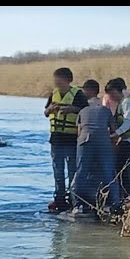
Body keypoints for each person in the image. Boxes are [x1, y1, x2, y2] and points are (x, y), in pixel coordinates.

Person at [71, 79, 119, 213]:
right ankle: (115, 203)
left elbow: (79, 132)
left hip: (84, 141)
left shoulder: (83, 110)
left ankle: (77, 204)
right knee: (108, 172)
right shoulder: (106, 110)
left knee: (81, 172)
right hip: (103, 141)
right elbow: (113, 130)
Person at [44, 67, 89, 212]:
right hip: (56, 139)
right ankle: (59, 199)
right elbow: (45, 112)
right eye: (56, 82)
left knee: (72, 171)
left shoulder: (78, 94)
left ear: (68, 81)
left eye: (60, 82)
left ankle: (73, 198)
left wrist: (73, 109)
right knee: (58, 171)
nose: (58, 85)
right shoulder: (54, 94)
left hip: (71, 138)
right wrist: (50, 109)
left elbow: (86, 111)